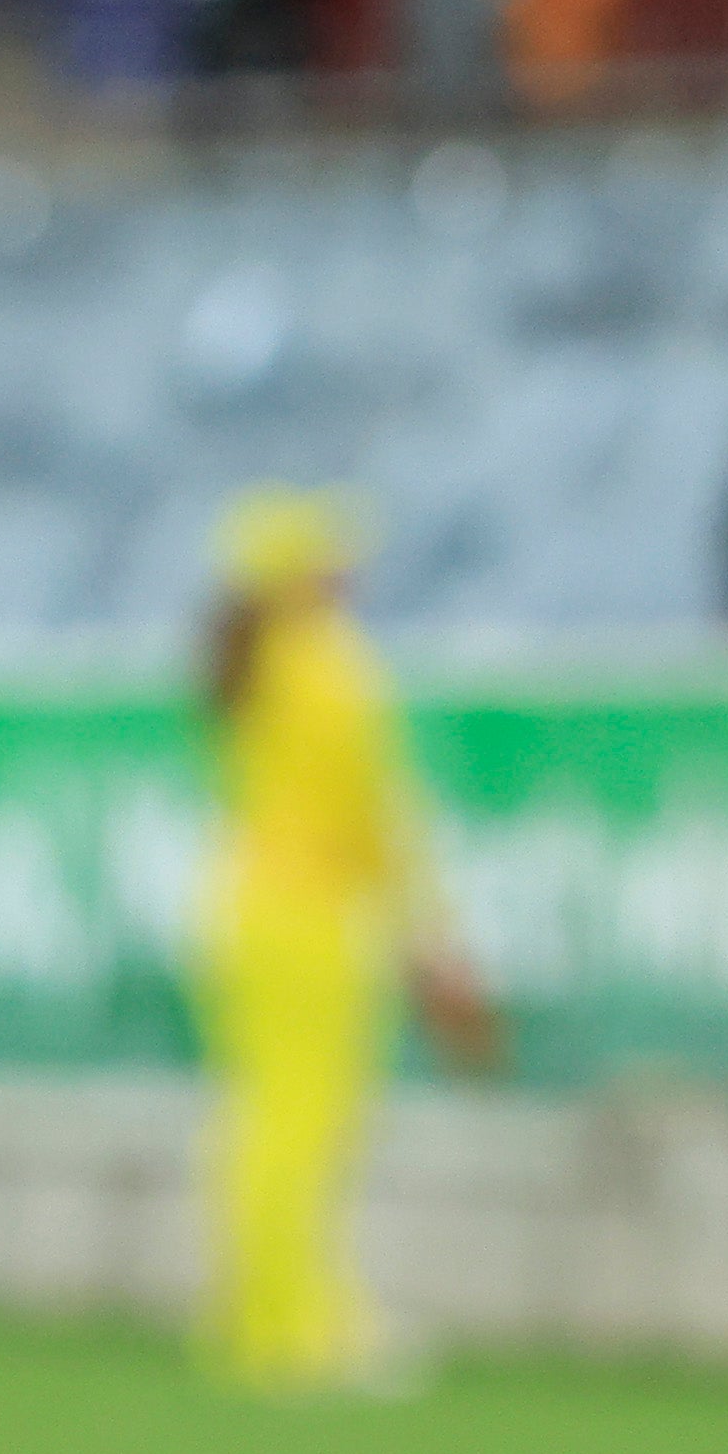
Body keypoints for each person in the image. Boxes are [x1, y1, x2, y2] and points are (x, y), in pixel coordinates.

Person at [192, 487, 499, 1396]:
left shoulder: (249, 664)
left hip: (243, 910)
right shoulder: (330, 667)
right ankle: (305, 1326)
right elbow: (380, 817)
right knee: (312, 1124)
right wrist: (433, 936)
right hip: (315, 916)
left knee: (260, 1122)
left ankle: (258, 1314)